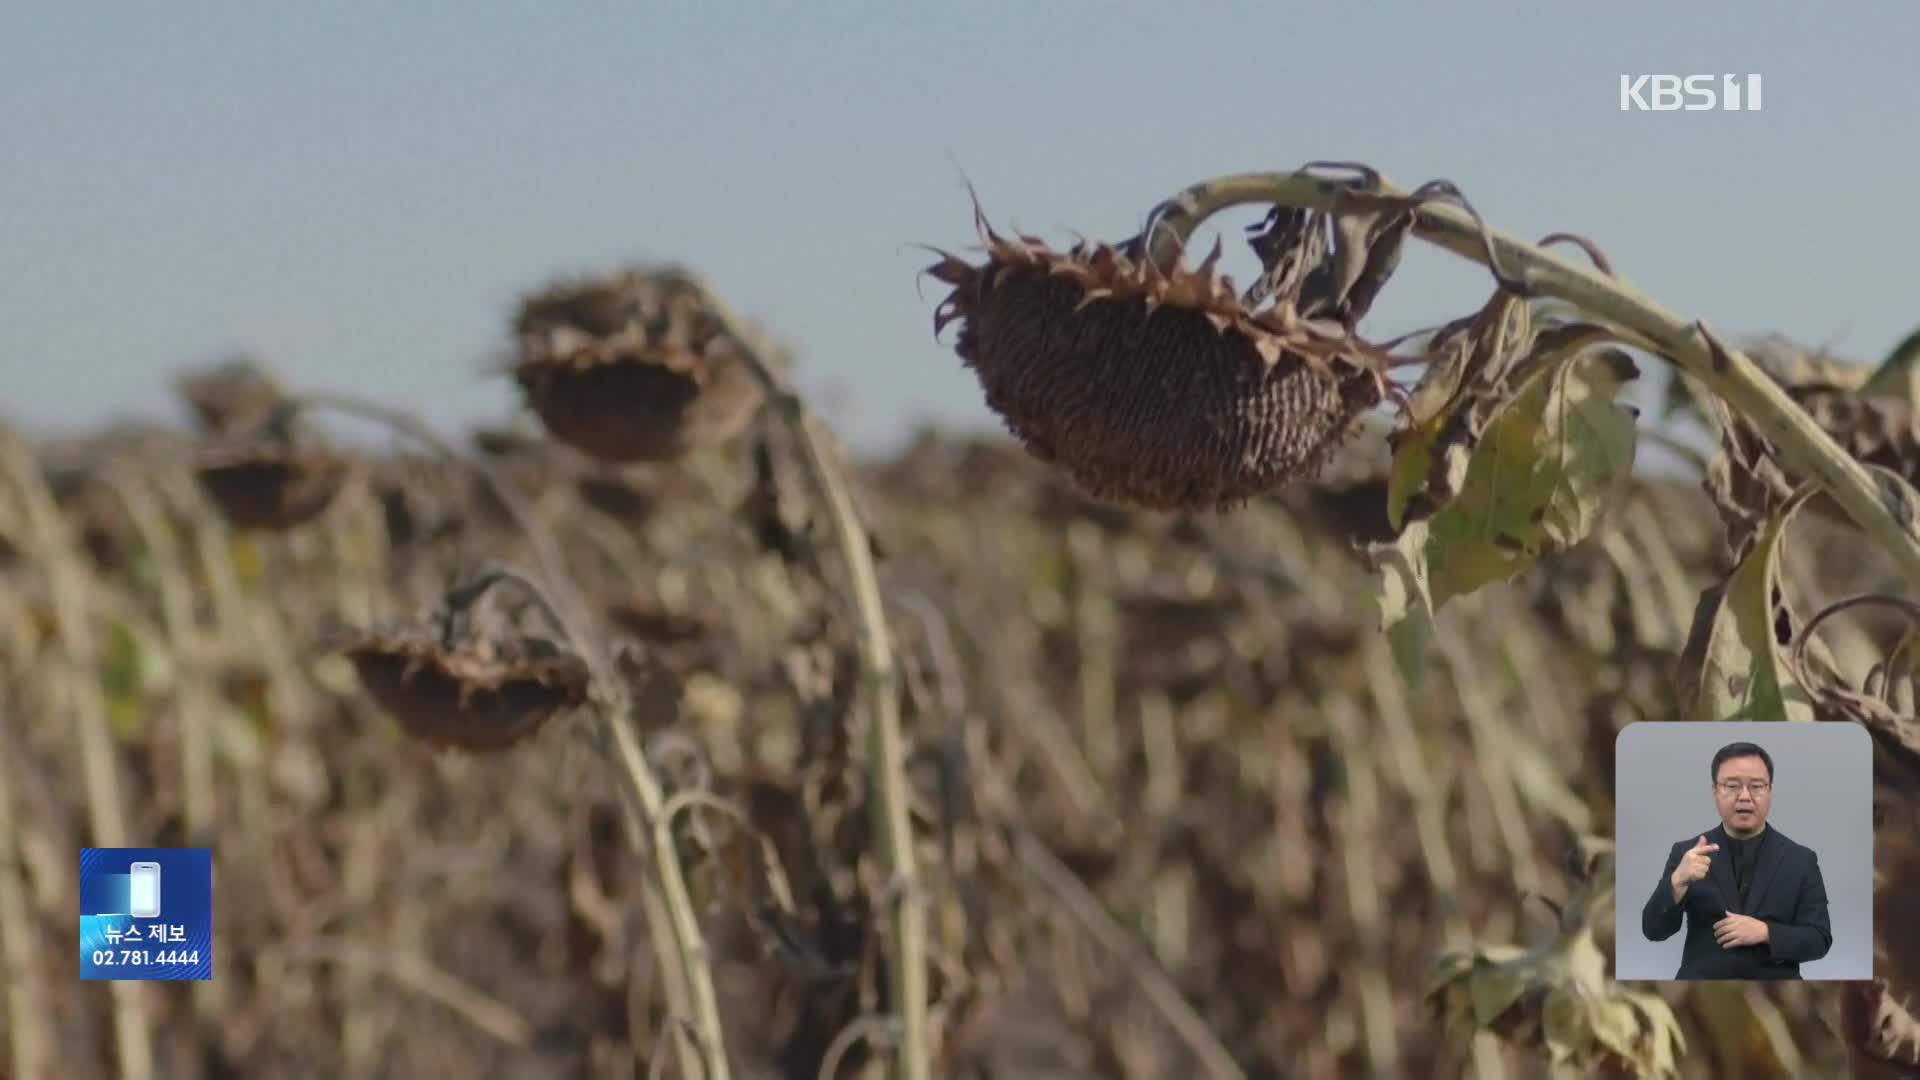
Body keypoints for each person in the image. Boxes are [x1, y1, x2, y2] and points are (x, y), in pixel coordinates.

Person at [1640, 741, 1832, 979]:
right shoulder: (1687, 854)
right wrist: (1678, 881)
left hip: (1772, 990)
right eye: (1732, 786)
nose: (1744, 797)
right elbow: (1653, 930)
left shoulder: (1801, 860)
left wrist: (1766, 932)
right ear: (1714, 791)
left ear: (1770, 790)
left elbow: (1820, 939)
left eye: (1756, 786)